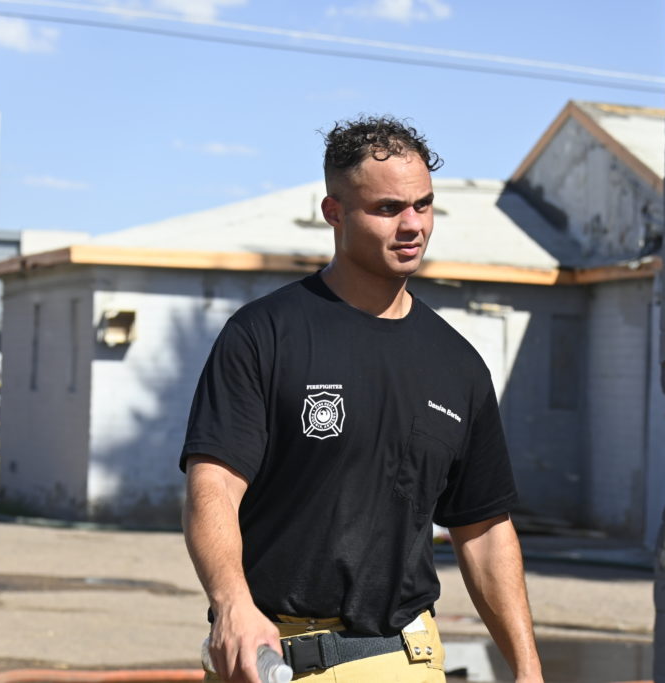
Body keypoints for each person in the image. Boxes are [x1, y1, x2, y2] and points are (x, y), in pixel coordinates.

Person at [180, 115, 543, 683]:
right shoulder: (264, 334)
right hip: (271, 659)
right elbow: (214, 485)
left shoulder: (458, 365)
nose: (412, 224)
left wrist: (527, 668)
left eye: (423, 205)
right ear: (335, 212)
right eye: (387, 208)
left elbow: (484, 530)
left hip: (403, 660)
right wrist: (231, 604)